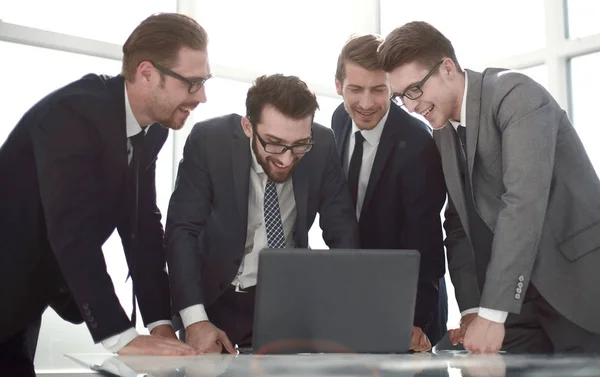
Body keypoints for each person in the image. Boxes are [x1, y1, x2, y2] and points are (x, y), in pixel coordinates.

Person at [0, 12, 210, 373]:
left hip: (26, 296)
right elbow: (72, 232)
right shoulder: (74, 114)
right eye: (192, 83)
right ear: (147, 73)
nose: (203, 96)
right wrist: (122, 337)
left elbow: (143, 227)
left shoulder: (152, 130)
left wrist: (160, 324)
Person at [378, 21, 600, 353]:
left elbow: (522, 202)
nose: (410, 106)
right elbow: (458, 223)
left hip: (576, 286)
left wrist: (493, 313)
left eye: (414, 90)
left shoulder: (516, 95)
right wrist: (472, 309)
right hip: (516, 304)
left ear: (448, 69)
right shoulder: (443, 133)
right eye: (400, 98)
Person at [165, 73, 360, 353]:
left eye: (299, 145)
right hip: (215, 299)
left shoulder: (323, 145)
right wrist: (195, 321)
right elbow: (182, 231)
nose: (286, 158)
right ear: (248, 127)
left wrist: (345, 312)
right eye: (274, 143)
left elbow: (342, 233)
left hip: (287, 303)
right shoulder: (210, 141)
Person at [331, 34, 447, 351]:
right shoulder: (340, 118)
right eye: (355, 89)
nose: (366, 104)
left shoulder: (419, 143)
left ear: (392, 88)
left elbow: (426, 242)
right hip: (354, 297)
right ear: (338, 85)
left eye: (379, 90)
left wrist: (417, 321)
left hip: (407, 300)